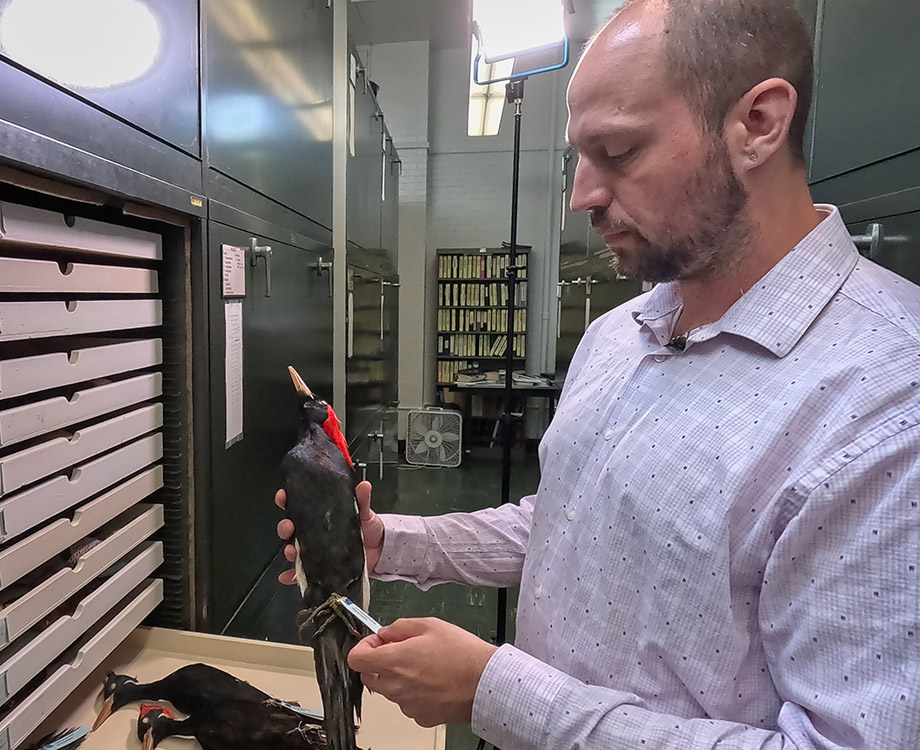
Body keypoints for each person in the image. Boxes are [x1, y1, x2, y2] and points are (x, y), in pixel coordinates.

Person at [278, 0, 920, 746]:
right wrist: (390, 540)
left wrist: (499, 691)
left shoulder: (887, 403)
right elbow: (572, 524)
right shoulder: (621, 334)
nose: (581, 194)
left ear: (759, 124)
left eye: (617, 152)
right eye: (579, 157)